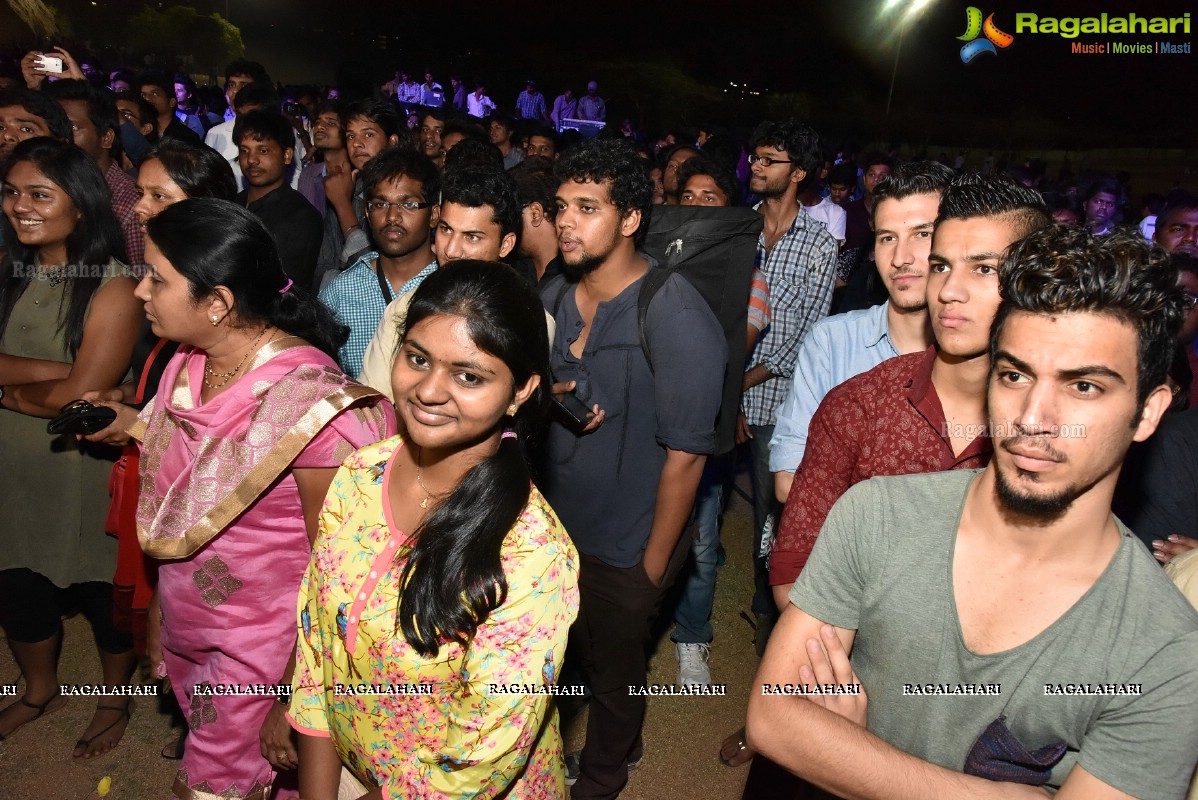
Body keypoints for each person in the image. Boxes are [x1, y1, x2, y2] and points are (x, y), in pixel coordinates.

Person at [747, 225, 1198, 799]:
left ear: (1148, 411)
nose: (1033, 416)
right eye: (1014, 375)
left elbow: (813, 738)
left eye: (1083, 386)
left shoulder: (1164, 650)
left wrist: (851, 759)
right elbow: (775, 715)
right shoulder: (879, 513)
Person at [108, 198, 394, 798]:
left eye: (158, 279)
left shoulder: (315, 411)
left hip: (268, 654)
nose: (140, 291)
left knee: (211, 785)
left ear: (217, 304)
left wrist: (298, 694)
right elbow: (177, 508)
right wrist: (162, 605)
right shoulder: (187, 365)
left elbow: (342, 575)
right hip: (195, 625)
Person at [290, 259, 579, 798]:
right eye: (417, 359)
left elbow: (476, 760)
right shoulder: (359, 474)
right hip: (358, 771)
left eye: (469, 376)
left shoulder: (532, 553)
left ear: (520, 391)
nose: (428, 391)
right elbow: (316, 643)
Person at [539, 138, 725, 799]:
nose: (566, 221)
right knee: (564, 657)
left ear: (630, 218)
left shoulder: (672, 311)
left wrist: (652, 566)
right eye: (561, 206)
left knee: (615, 674)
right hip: (555, 527)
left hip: (627, 542)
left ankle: (605, 772)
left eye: (587, 207)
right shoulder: (555, 292)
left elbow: (686, 457)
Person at [0, 137, 142, 758]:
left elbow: (82, 398)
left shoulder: (110, 286)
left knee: (98, 588)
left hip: (78, 470)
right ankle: (37, 689)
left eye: (38, 194)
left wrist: (11, 388)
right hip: (10, 465)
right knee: (14, 583)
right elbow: (67, 381)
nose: (19, 207)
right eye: (10, 192)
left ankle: (112, 699)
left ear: (80, 205)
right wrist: (49, 379)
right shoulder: (10, 269)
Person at [741, 119, 839, 653]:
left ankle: (769, 624)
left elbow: (801, 337)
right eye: (754, 157)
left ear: (798, 172)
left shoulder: (821, 244)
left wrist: (737, 384)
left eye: (770, 159)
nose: (756, 166)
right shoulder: (737, 229)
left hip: (775, 403)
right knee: (701, 513)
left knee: (769, 518)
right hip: (723, 394)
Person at [357, 162, 522, 398]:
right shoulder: (403, 311)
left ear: (505, 245)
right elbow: (374, 412)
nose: (452, 250)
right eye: (446, 230)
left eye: (472, 237)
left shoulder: (527, 320)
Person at [320, 147, 440, 378]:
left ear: (433, 215)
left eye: (409, 204)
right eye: (380, 204)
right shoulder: (339, 293)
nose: (392, 216)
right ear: (366, 211)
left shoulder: (450, 287)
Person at [234, 109, 323, 289]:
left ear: (287, 155)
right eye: (244, 151)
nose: (251, 160)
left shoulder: (301, 217)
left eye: (263, 150)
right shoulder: (232, 203)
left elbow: (287, 292)